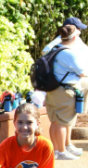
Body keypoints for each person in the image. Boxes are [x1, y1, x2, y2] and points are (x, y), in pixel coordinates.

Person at [45, 24, 88, 160]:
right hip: (64, 91)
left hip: (52, 89)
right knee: (63, 122)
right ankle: (62, 151)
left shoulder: (54, 49)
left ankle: (56, 150)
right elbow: (82, 72)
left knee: (55, 122)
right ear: (74, 36)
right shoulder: (68, 53)